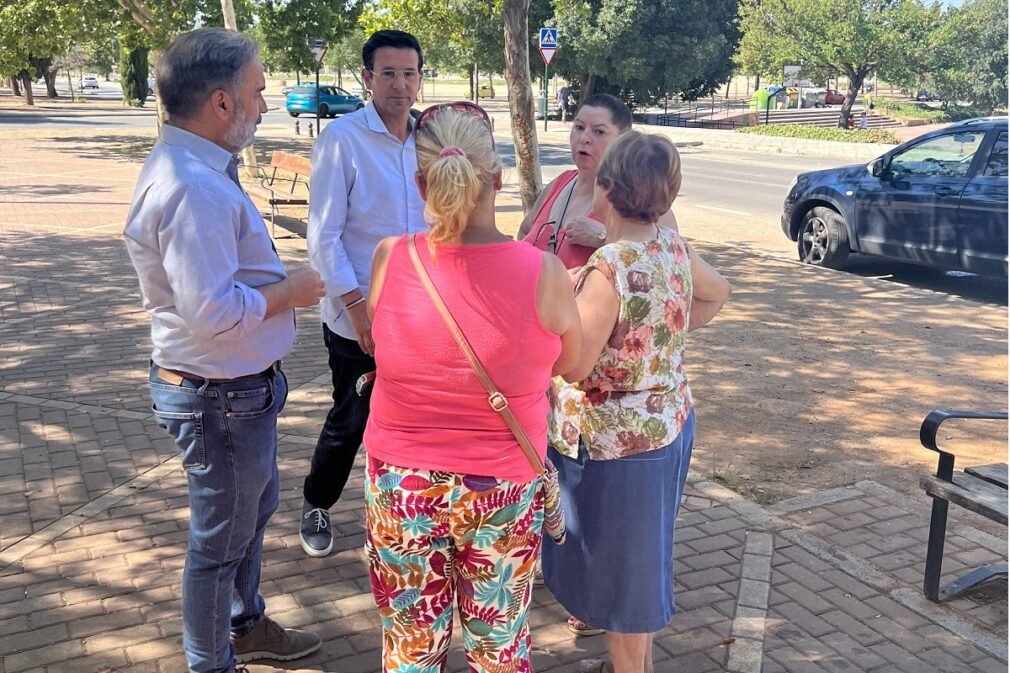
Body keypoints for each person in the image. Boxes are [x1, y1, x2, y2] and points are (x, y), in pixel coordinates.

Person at [122, 28, 325, 673]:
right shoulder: (194, 188)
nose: (265, 104)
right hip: (219, 394)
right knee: (218, 543)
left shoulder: (198, 170)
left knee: (250, 511)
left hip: (231, 388)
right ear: (220, 102)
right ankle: (213, 660)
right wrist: (289, 291)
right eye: (258, 91)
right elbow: (212, 313)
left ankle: (244, 622)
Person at [363, 104, 581, 672]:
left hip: (402, 484)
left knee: (411, 649)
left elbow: (379, 343)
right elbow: (575, 365)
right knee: (500, 649)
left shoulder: (390, 258)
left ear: (421, 183)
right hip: (503, 488)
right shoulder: (545, 273)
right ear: (498, 179)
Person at [542, 131, 732, 673]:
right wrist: (659, 338)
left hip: (614, 446)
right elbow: (717, 292)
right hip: (666, 427)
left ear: (604, 188)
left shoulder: (610, 266)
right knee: (640, 569)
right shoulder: (671, 246)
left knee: (625, 583)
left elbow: (575, 364)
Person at [302, 29, 428, 558]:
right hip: (359, 314)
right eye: (389, 74)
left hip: (423, 314)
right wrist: (357, 311)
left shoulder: (430, 139)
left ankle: (409, 515)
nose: (400, 85)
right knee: (352, 417)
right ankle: (317, 502)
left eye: (410, 73)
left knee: (416, 418)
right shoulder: (343, 140)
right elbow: (323, 237)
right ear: (366, 77)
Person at [518, 94, 677, 271]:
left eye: (599, 131)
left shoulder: (644, 203)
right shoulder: (560, 183)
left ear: (622, 141)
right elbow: (525, 231)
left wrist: (602, 238)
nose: (584, 138)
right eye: (579, 127)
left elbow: (665, 269)